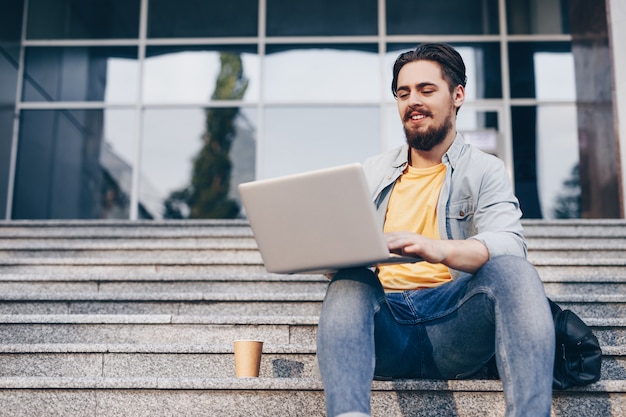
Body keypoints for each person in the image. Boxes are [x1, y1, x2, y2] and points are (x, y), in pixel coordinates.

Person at [316, 43, 555, 417]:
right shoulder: (372, 172)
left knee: (513, 271)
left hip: (455, 324)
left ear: (457, 95)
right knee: (347, 282)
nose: (413, 101)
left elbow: (510, 246)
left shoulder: (484, 170)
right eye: (403, 92)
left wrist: (433, 248)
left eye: (426, 90)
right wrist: (330, 254)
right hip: (386, 329)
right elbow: (339, 266)